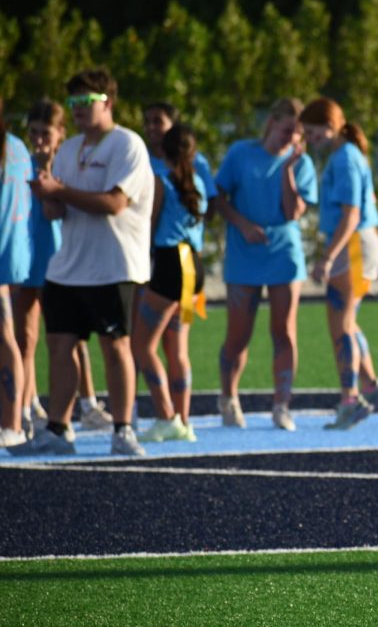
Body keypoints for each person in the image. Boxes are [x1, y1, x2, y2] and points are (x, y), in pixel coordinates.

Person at [14, 67, 155, 456]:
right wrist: (46, 193)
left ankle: (123, 429)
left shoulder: (127, 145)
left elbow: (114, 203)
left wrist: (60, 190)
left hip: (114, 266)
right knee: (60, 346)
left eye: (85, 101)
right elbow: (57, 213)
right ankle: (58, 430)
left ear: (107, 103)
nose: (77, 109)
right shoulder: (70, 148)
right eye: (73, 102)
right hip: (68, 267)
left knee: (115, 347)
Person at [212, 98, 318, 431]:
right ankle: (228, 398)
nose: (292, 138)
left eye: (298, 134)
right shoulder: (241, 153)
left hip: (283, 253)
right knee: (238, 335)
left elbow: (292, 213)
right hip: (244, 254)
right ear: (272, 122)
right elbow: (217, 197)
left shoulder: (301, 163)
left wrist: (288, 168)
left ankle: (281, 405)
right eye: (287, 130)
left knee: (284, 331)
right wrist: (241, 224)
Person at [16, 100, 113, 438]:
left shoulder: (70, 167)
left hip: (62, 259)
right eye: (33, 134)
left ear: (61, 134)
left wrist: (50, 178)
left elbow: (55, 212)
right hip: (25, 257)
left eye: (46, 133)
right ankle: (28, 406)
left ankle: (87, 404)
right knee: (24, 338)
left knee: (73, 338)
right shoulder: (20, 165)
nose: (39, 140)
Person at [299, 97, 378, 430]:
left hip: (352, 246)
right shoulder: (345, 156)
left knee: (341, 326)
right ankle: (369, 386)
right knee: (347, 323)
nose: (310, 140)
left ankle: (350, 400)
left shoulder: (345, 159)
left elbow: (351, 215)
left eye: (313, 133)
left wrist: (326, 257)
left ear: (331, 126)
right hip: (354, 244)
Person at [132, 124, 208, 442]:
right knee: (177, 349)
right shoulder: (200, 183)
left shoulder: (161, 181)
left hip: (168, 266)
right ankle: (184, 420)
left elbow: (149, 226)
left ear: (163, 150)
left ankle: (165, 415)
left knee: (141, 345)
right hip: (193, 267)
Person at [0, 97, 32, 447]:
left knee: (8, 336)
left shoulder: (11, 147)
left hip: (5, 256)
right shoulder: (18, 146)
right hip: (15, 255)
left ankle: (12, 424)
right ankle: (15, 419)